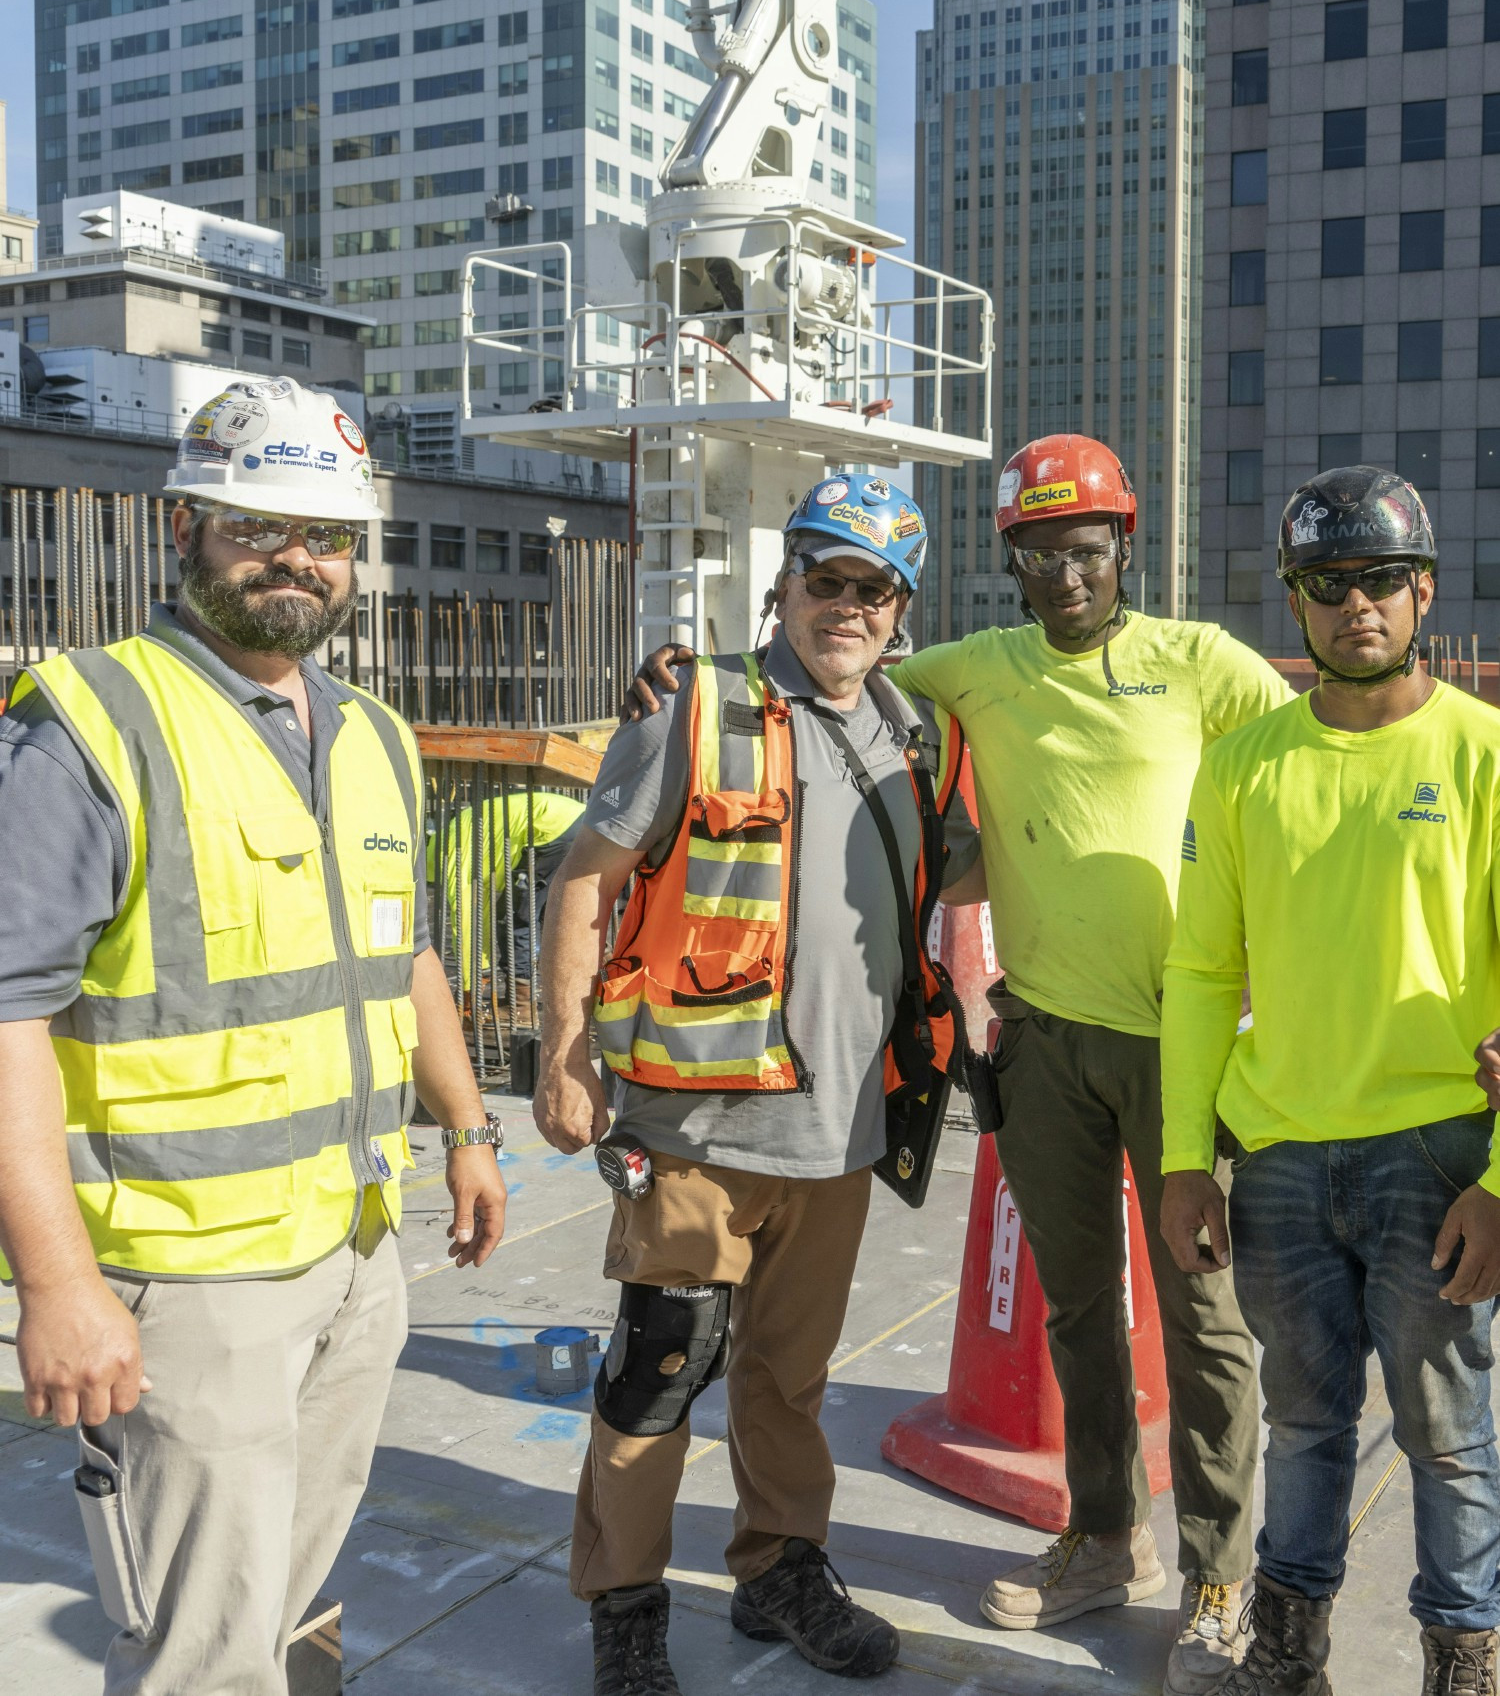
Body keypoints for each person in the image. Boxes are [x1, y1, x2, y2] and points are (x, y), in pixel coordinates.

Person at [632, 437, 1292, 1696]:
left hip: (1186, 1040)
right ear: (1013, 564)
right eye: (1040, 553)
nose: (1066, 573)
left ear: (1123, 548)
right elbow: (828, 662)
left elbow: (1314, 753)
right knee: (1079, 1307)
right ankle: (1105, 1534)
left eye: (1086, 548)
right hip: (1041, 1039)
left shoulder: (1201, 664)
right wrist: (691, 674)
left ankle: (1221, 1570)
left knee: (1205, 1320)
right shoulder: (977, 671)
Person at [0, 377, 508, 1696]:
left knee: (291, 1609)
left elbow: (407, 957)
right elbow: (5, 1010)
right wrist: (57, 1284)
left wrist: (466, 1128)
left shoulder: (375, 737)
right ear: (184, 527)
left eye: (327, 533)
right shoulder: (93, 724)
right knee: (199, 1654)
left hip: (353, 1249)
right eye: (256, 523)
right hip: (190, 1280)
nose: (296, 556)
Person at [534, 474, 979, 1696]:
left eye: (872, 588)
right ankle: (625, 1607)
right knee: (661, 1368)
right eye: (824, 578)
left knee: (790, 1378)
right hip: (697, 1125)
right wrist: (563, 1049)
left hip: (838, 1129)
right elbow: (585, 876)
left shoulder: (921, 734)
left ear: (902, 609)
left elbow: (973, 887)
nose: (845, 605)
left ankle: (780, 1568)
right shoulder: (697, 706)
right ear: (784, 582)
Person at [1161, 466, 1500, 1696]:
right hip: (1283, 1165)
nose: (1358, 603)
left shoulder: (1484, 756)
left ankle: (1462, 1662)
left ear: (1424, 590)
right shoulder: (1244, 766)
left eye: (1382, 578)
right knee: (1303, 1426)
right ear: (1295, 603)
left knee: (1451, 1440)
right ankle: (1286, 1653)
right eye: (1328, 582)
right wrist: (1187, 1159)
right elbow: (1201, 972)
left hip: (1439, 1156)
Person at [432, 786, 586, 998]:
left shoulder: (452, 853)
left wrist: (471, 984)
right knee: (554, 912)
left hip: (551, 828)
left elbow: (466, 918)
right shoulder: (461, 831)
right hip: (578, 818)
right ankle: (604, 967)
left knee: (515, 916)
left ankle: (521, 1005)